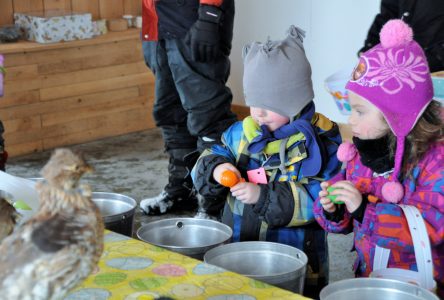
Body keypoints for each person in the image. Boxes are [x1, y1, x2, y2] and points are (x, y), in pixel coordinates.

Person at [192, 25, 343, 298]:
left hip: (296, 257)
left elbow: (320, 199)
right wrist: (217, 168)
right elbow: (212, 155)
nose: (258, 112)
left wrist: (262, 196)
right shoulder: (242, 133)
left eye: (270, 103)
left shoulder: (320, 142)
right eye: (253, 102)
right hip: (239, 248)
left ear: (296, 100)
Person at [314, 20, 444, 298]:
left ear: (396, 114)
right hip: (370, 275)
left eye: (359, 111)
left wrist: (364, 210)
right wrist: (334, 208)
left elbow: (433, 226)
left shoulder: (436, 163)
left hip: (420, 284)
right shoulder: (363, 153)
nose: (350, 120)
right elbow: (345, 209)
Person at [139, 0, 238, 216]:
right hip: (158, 23)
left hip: (193, 20)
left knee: (208, 115)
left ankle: (215, 205)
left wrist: (209, 14)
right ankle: (182, 190)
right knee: (171, 112)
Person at [359, 0, 444, 72]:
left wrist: (437, 57)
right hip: (399, 68)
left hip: (436, 71)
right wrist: (370, 49)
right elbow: (388, 16)